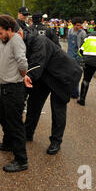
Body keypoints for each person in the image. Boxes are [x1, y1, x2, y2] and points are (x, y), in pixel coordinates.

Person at [22, 27, 82, 155]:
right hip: (45, 75)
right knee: (33, 105)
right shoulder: (24, 41)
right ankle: (27, 133)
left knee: (58, 110)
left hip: (63, 76)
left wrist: (27, 78)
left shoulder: (39, 41)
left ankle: (56, 141)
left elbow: (37, 62)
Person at [0, 15, 29, 173]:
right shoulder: (5, 40)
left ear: (9, 30)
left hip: (14, 88)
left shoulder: (16, 41)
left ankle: (21, 160)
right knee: (3, 117)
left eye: (0, 33)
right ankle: (8, 143)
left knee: (15, 124)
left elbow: (22, 62)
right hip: (5, 86)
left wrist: (22, 75)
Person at [67, 17, 87, 99]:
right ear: (73, 24)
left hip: (78, 56)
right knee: (70, 74)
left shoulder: (82, 33)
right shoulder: (69, 30)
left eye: (80, 25)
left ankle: (75, 93)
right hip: (70, 54)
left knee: (76, 74)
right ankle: (70, 91)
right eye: (77, 25)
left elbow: (85, 44)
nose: (78, 27)